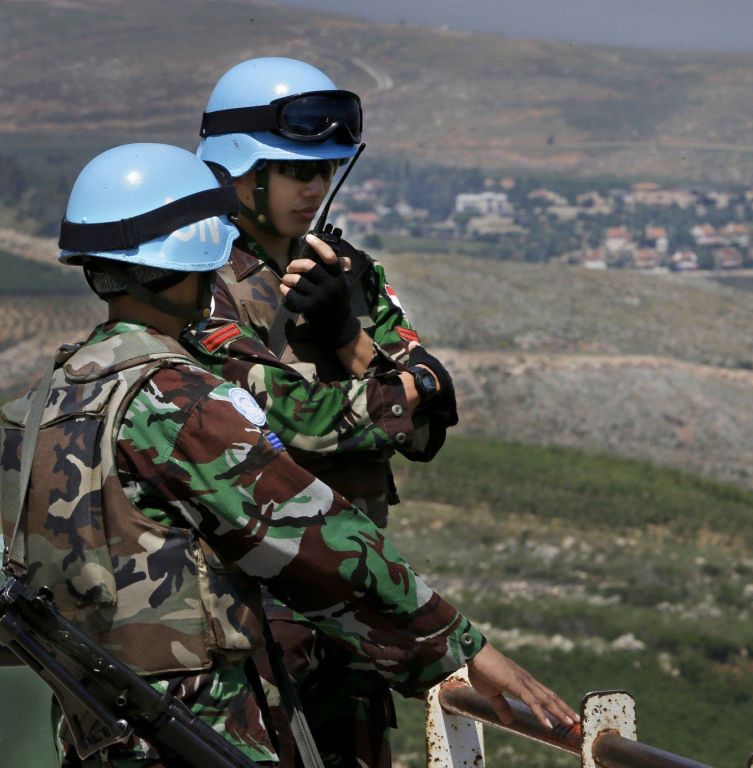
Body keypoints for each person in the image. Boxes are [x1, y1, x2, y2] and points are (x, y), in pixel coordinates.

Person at [0, 143, 577, 767]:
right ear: (185, 263)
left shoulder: (34, 409)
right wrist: (463, 649)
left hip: (92, 736)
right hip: (201, 734)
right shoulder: (179, 402)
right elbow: (322, 543)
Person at [192, 57, 458, 767]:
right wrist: (391, 384)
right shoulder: (196, 281)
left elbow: (431, 417)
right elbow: (292, 418)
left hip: (358, 597)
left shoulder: (347, 271)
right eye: (293, 171)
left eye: (323, 171)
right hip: (254, 615)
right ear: (242, 171)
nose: (314, 188)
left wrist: (348, 335)